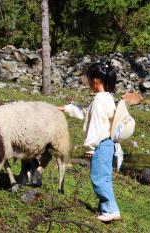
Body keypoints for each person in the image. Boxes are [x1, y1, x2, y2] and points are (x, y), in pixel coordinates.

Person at [59, 62, 121, 222]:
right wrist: (67, 108)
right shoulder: (107, 98)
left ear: (95, 80)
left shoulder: (99, 101)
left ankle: (111, 210)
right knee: (104, 177)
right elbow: (87, 113)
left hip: (100, 144)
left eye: (87, 79)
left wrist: (91, 147)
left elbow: (96, 126)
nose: (86, 83)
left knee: (99, 178)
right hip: (108, 144)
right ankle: (105, 208)